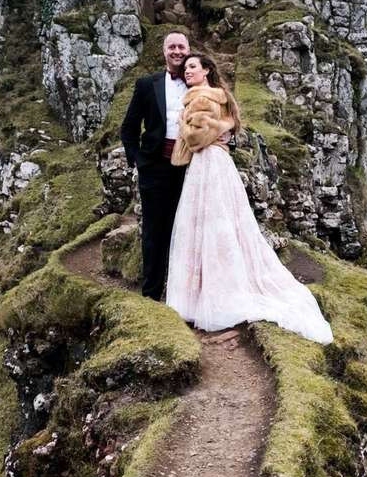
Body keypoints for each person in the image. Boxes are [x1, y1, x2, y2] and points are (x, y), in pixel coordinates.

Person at [164, 54, 333, 344]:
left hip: (208, 164)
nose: (187, 71)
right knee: (220, 226)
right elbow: (221, 128)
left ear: (206, 70)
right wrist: (221, 129)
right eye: (186, 68)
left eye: (193, 66)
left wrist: (186, 124)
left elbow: (194, 139)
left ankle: (207, 301)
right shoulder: (218, 96)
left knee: (208, 228)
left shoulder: (202, 97)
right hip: (216, 163)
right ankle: (212, 296)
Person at [117, 31, 192, 300]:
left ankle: (182, 296)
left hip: (190, 170)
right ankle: (150, 295)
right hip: (155, 168)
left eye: (181, 46)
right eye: (171, 46)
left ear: (189, 50)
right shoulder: (147, 84)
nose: (176, 51)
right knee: (153, 232)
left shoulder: (199, 84)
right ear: (163, 52)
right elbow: (128, 129)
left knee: (185, 230)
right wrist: (139, 161)